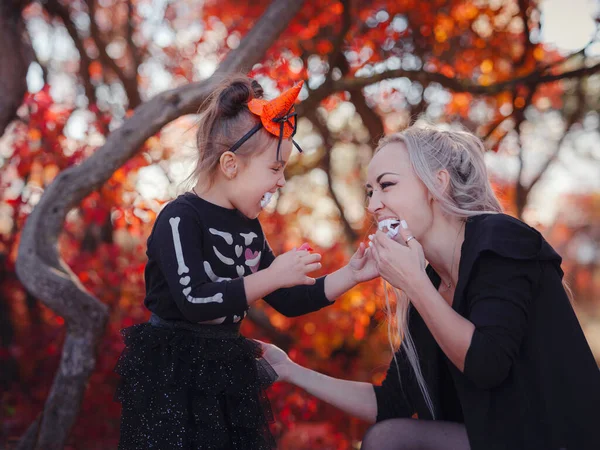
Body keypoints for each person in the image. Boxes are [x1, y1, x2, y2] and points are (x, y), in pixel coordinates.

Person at [259, 125, 600, 450]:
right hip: (500, 439)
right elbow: (391, 403)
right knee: (388, 435)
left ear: (438, 184)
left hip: (558, 438)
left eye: (386, 185)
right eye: (369, 192)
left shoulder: (499, 239)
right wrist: (291, 370)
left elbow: (487, 363)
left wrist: (415, 283)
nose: (373, 205)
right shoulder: (431, 285)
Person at [114, 76, 376, 450]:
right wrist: (270, 276)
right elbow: (194, 300)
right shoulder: (180, 218)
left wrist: (351, 274)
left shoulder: (249, 227)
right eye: (274, 169)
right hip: (175, 378)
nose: (282, 181)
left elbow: (289, 300)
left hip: (226, 371)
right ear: (230, 164)